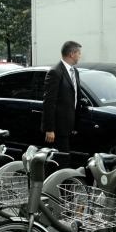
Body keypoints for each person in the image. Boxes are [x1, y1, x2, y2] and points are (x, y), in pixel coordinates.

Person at [41, 41, 83, 169]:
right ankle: (54, 187)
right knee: (62, 160)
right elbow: (49, 102)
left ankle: (52, 186)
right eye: (79, 53)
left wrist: (75, 124)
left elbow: (75, 98)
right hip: (58, 128)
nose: (80, 56)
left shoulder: (74, 71)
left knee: (60, 160)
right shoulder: (55, 72)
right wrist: (49, 128)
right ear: (71, 54)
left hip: (69, 125)